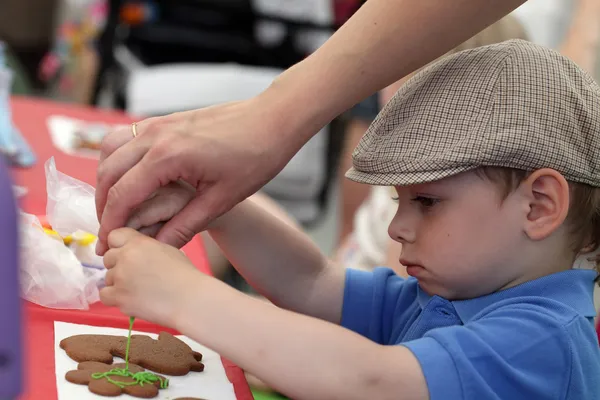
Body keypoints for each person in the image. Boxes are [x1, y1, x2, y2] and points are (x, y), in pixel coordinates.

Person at [99, 40, 600, 399]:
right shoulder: (443, 297)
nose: (395, 228)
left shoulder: (542, 341)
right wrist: (212, 205)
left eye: (426, 202)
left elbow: (369, 379)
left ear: (538, 206)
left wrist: (186, 296)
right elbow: (310, 279)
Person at [93, 0, 530, 254]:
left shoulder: (448, 223)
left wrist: (196, 302)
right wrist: (217, 209)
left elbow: (379, 358)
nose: (399, 226)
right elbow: (329, 283)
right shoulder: (394, 197)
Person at [337, 0, 600, 274]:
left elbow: (390, 312)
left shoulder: (425, 197)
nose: (396, 229)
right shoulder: (409, 189)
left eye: (427, 202)